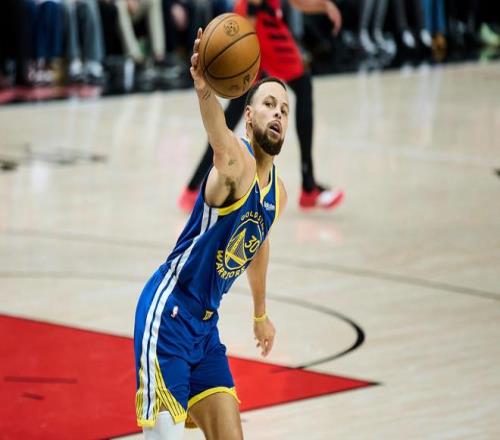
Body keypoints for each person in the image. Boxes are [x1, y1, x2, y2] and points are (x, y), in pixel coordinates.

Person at [134, 28, 289, 439]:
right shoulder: (236, 163)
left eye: (284, 109)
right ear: (248, 116)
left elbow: (258, 244)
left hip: (204, 329)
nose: (278, 114)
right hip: (169, 316)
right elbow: (219, 142)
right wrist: (204, 90)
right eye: (268, 105)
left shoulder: (277, 194)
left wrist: (260, 314)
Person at [178, 0, 345, 213]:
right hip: (258, 28)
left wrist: (323, 5)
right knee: (302, 85)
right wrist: (242, 45)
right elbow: (253, 7)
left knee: (236, 110)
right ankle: (309, 187)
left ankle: (192, 189)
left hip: (254, 27)